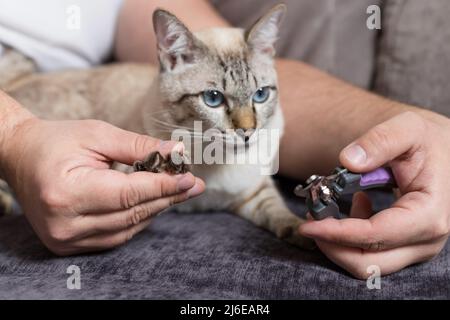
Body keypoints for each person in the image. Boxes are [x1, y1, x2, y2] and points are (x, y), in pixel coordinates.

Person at [0, 0, 448, 279]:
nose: (247, 124)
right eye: (215, 99)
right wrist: (15, 139)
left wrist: (420, 128)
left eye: (258, 99)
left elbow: (236, 70)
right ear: (171, 57)